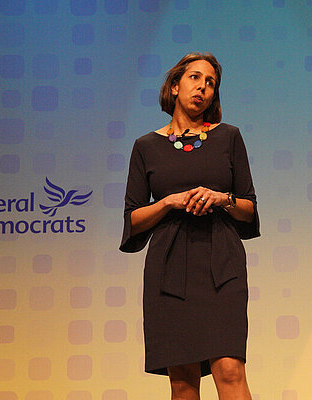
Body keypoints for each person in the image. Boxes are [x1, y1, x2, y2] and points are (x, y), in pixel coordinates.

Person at [119, 52, 259, 400]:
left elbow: (249, 209)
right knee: (182, 381)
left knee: (230, 369)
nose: (203, 87)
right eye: (195, 77)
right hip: (169, 270)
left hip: (222, 265)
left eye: (211, 83)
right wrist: (168, 202)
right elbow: (133, 219)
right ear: (174, 86)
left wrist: (222, 198)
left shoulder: (228, 137)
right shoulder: (146, 147)